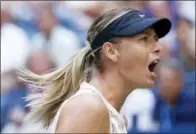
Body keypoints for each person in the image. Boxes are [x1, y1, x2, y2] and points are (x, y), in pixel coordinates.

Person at [19, 8, 171, 133]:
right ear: (111, 51)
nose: (158, 47)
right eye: (144, 39)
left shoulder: (111, 112)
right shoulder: (89, 107)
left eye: (155, 39)